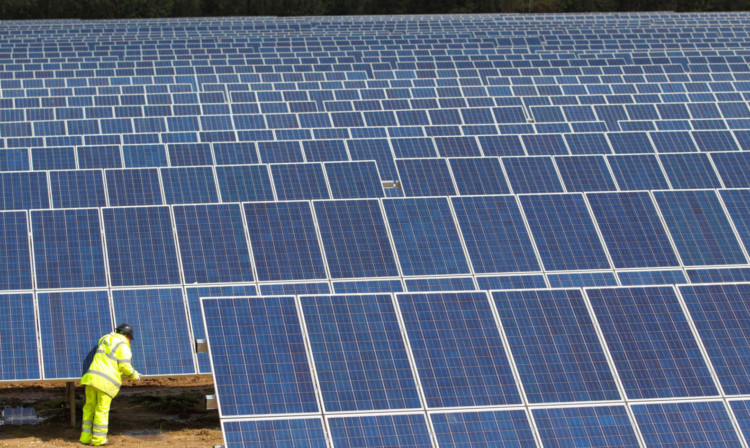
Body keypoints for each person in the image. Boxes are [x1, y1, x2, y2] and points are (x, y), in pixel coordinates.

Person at [79, 323, 141, 446]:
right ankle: (99, 440)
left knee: (89, 408)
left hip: (91, 378)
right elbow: (124, 366)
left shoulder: (106, 339)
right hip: (105, 382)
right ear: (127, 336)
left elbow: (102, 339)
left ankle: (85, 438)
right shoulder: (123, 345)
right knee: (101, 410)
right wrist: (135, 375)